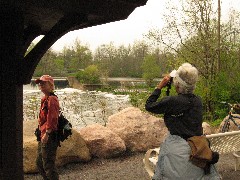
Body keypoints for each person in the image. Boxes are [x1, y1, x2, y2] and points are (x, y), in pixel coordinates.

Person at [145, 63, 220, 179]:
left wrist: (160, 86)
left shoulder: (172, 102)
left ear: (178, 85)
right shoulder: (198, 101)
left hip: (175, 150)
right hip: (198, 147)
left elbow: (149, 105)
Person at [35, 75, 60, 180]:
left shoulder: (52, 99)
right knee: (39, 162)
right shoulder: (45, 98)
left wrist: (47, 133)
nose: (41, 85)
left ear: (51, 85)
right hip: (43, 133)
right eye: (40, 83)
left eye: (43, 83)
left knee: (48, 164)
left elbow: (52, 118)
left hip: (49, 135)